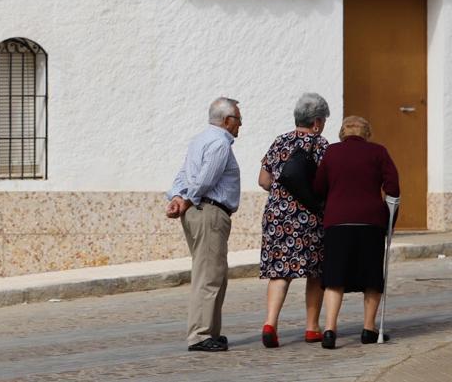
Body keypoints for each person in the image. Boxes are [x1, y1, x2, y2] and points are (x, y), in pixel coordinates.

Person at [312, 116, 400, 349]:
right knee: (372, 277)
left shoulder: (332, 152)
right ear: (367, 133)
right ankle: (369, 329)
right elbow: (393, 188)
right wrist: (390, 222)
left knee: (334, 278)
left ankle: (330, 330)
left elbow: (319, 187)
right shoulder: (378, 152)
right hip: (371, 223)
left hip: (337, 222)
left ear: (343, 133)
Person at [166, 97, 243, 352]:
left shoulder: (199, 140)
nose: (240, 125)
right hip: (208, 211)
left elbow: (183, 174)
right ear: (227, 120)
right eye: (238, 120)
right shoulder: (220, 143)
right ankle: (200, 335)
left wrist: (177, 196)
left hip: (199, 210)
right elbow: (205, 179)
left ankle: (211, 331)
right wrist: (186, 199)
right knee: (209, 275)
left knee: (213, 273)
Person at [257, 92, 330, 348]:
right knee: (316, 272)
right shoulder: (321, 145)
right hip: (309, 218)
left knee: (280, 272)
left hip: (277, 216)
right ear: (317, 122)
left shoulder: (280, 141)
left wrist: (281, 193)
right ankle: (312, 327)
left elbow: (263, 180)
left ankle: (270, 323)